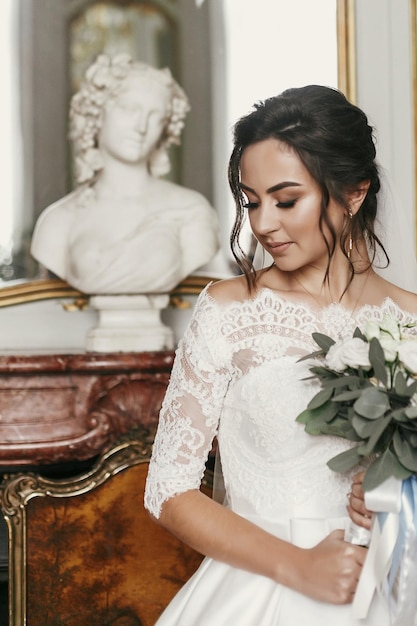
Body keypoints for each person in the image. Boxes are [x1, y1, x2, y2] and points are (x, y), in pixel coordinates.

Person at [144, 85, 417, 625]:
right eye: (251, 201)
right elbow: (169, 492)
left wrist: (393, 493)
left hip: (381, 588)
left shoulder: (411, 321)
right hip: (256, 589)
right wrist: (297, 567)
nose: (262, 223)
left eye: (286, 200)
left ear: (354, 193)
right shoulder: (228, 309)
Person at [31, 54, 219, 294]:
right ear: (97, 113)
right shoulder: (58, 221)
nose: (141, 127)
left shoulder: (191, 210)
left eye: (156, 116)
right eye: (130, 109)